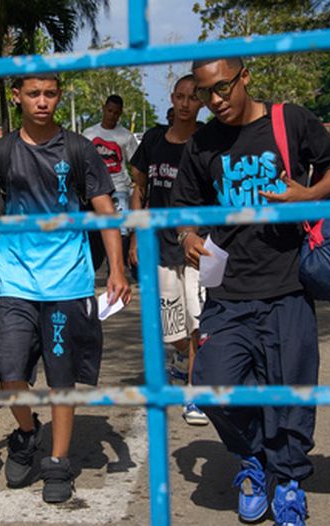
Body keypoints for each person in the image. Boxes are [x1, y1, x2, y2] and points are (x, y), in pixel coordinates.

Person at [171, 58, 330, 526]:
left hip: (289, 285)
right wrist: (189, 237)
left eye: (223, 88)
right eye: (206, 93)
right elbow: (184, 209)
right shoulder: (202, 143)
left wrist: (307, 196)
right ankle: (255, 459)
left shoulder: (288, 120)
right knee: (214, 388)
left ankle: (289, 481)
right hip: (227, 289)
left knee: (290, 391)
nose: (216, 101)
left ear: (245, 78)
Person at [0, 74, 131, 504]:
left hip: (68, 283)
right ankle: (28, 433)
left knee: (61, 378)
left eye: (50, 93)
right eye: (33, 94)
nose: (42, 101)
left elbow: (105, 211)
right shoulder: (1, 153)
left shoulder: (79, 150)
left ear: (59, 96)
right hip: (16, 281)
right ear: (18, 97)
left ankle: (59, 462)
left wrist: (117, 270)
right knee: (9, 372)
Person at [129, 75, 208, 426]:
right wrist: (134, 235)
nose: (186, 103)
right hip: (159, 246)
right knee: (172, 330)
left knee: (197, 322)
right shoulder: (153, 139)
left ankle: (194, 393)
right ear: (172, 99)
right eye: (180, 96)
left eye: (193, 97)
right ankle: (181, 360)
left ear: (201, 102)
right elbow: (139, 186)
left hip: (196, 244)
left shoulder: (208, 141)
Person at [83, 94, 139, 271]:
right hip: (95, 191)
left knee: (120, 231)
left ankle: (115, 270)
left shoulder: (126, 136)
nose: (112, 115)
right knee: (95, 232)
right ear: (103, 109)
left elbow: (135, 164)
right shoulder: (89, 134)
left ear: (120, 114)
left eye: (116, 113)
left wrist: (139, 187)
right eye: (109, 111)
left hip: (119, 189)